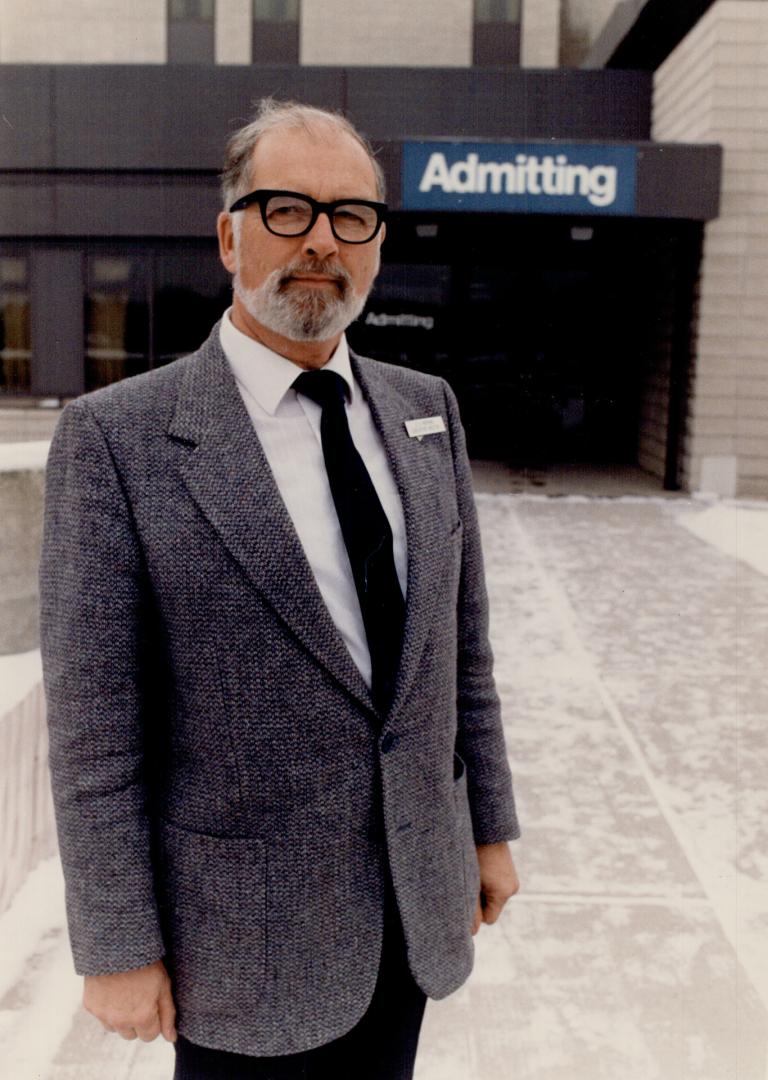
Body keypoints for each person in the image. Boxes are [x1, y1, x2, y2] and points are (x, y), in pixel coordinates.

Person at [39, 99, 520, 1080]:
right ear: (229, 235)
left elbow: (461, 653)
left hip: (411, 908)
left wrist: (490, 829)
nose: (320, 242)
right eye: (286, 210)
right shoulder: (117, 441)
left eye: (351, 217)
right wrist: (117, 942)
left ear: (377, 245)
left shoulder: (428, 413)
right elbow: (94, 723)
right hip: (240, 939)